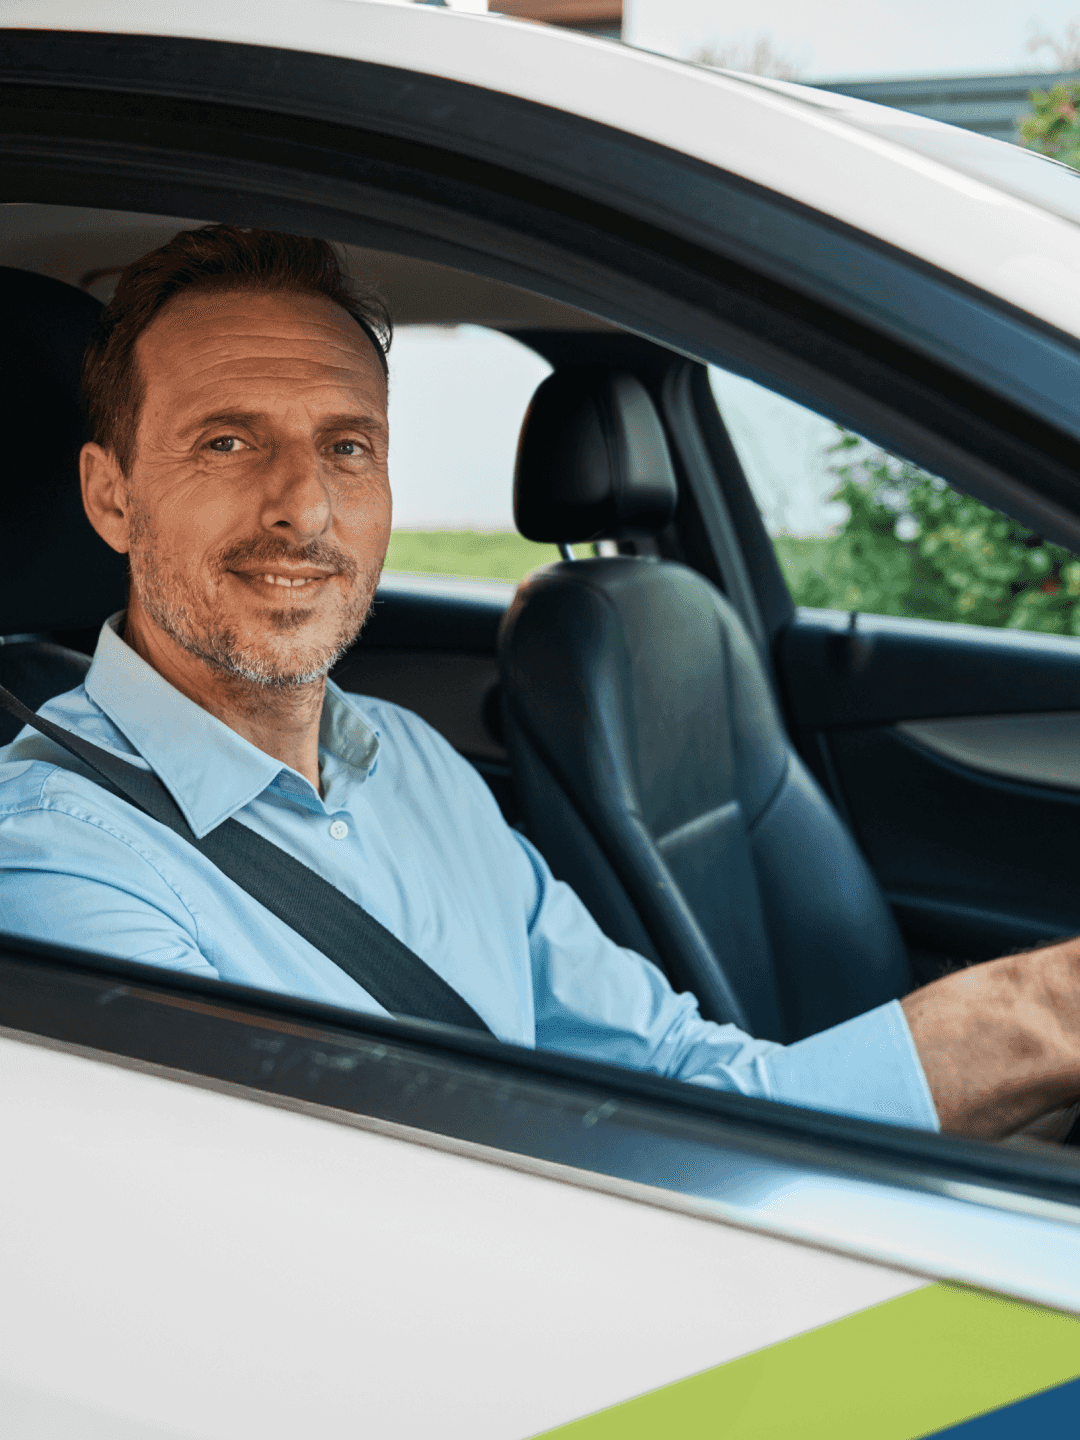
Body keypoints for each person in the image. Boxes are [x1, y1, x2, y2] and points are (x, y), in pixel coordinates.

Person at [1, 225, 1077, 1142]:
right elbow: (294, 1260)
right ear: (111, 497)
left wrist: (1046, 1012)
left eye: (348, 447)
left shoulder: (411, 764)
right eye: (229, 441)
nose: (305, 509)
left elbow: (682, 1079)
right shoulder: (57, 867)